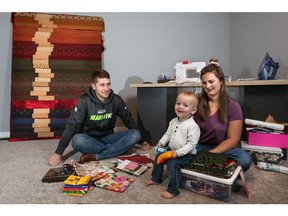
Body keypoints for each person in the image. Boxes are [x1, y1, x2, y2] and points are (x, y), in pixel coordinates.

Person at [48, 69, 141, 166]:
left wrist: (142, 141)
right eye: (102, 85)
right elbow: (72, 126)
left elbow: (128, 120)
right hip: (89, 139)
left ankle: (97, 156)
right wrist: (58, 153)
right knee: (77, 140)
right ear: (93, 86)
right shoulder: (83, 101)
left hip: (108, 137)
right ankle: (119, 150)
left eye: (108, 84)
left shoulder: (116, 100)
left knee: (136, 134)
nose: (107, 88)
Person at [194, 58, 252, 171]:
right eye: (204, 82)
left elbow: (233, 140)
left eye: (211, 81)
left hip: (224, 148)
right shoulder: (196, 102)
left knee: (245, 160)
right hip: (198, 146)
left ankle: (206, 162)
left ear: (221, 81)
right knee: (171, 151)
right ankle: (215, 165)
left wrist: (209, 154)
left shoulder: (233, 106)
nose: (207, 86)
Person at [145, 91, 201, 199]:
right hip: (171, 149)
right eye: (178, 103)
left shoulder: (193, 126)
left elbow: (191, 145)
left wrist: (177, 153)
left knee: (172, 164)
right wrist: (161, 142)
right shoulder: (173, 121)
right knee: (158, 158)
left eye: (185, 105)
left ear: (193, 110)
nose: (180, 107)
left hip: (185, 154)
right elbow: (167, 134)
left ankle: (173, 190)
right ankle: (156, 178)